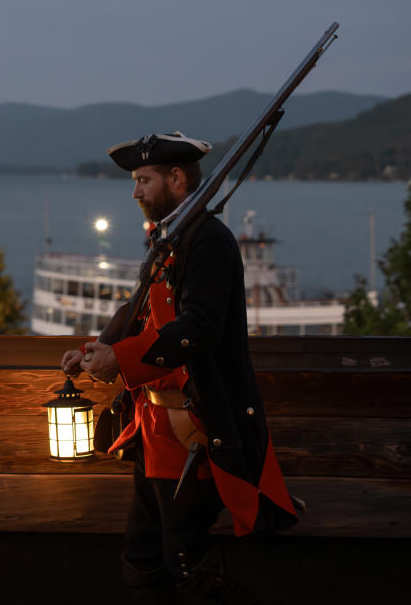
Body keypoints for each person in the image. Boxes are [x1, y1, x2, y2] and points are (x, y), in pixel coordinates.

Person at [61, 132, 298, 605]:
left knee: (185, 561)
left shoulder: (207, 239)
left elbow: (200, 329)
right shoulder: (171, 237)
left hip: (192, 431)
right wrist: (99, 346)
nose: (135, 192)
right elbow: (140, 306)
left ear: (175, 178)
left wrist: (121, 359)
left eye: (144, 180)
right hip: (154, 433)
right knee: (142, 557)